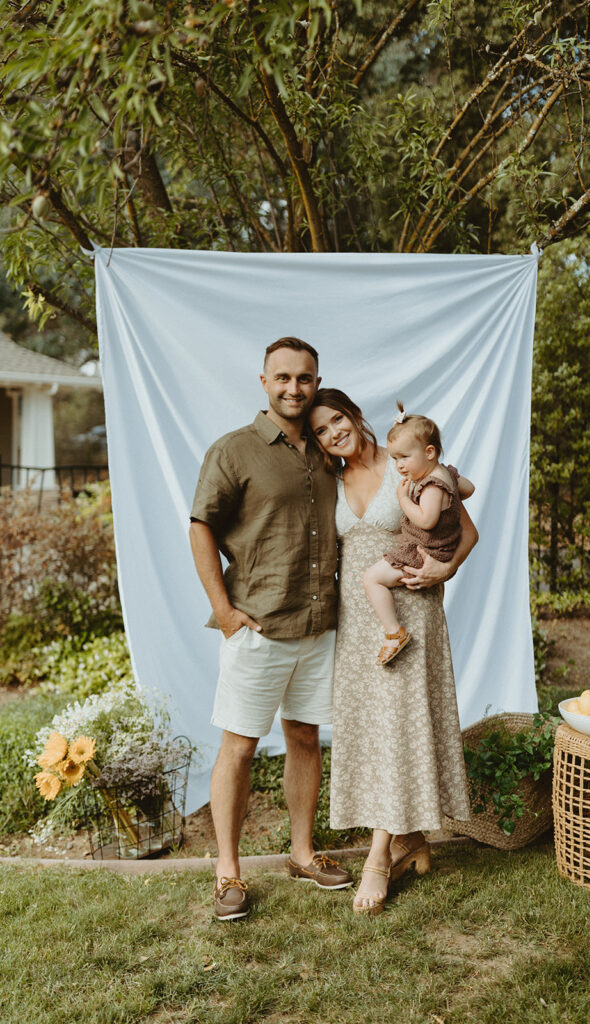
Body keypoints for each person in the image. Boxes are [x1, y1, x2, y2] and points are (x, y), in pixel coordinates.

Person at [189, 339, 352, 922]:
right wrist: (226, 612)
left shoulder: (328, 453)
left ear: (316, 381)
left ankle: (303, 853)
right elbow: (201, 528)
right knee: (240, 746)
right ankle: (227, 872)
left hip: (317, 625)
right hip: (257, 626)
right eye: (282, 377)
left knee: (305, 737)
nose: (294, 388)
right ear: (263, 381)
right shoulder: (234, 451)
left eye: (304, 378)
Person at [309, 389, 478, 915]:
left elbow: (466, 531)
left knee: (399, 726)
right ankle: (411, 840)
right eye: (320, 429)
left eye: (337, 418)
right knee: (379, 731)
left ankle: (378, 858)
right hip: (361, 623)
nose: (333, 432)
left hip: (411, 612)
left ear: (355, 416)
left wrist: (445, 570)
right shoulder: (330, 481)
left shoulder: (405, 465)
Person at [363, 401, 475, 666]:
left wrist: (403, 499)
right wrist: (453, 493)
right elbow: (469, 489)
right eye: (394, 458)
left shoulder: (432, 486)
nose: (399, 466)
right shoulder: (447, 474)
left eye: (404, 457)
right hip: (439, 549)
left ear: (429, 452)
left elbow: (426, 520)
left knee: (371, 579)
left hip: (425, 553)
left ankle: (394, 632)